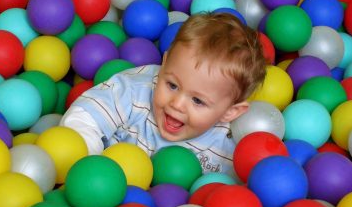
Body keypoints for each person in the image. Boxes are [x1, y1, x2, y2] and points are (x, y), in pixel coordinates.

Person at [60, 12, 267, 177]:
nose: (177, 104)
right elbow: (84, 116)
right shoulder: (134, 90)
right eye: (172, 85)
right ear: (164, 64)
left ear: (230, 112)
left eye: (197, 100)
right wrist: (90, 165)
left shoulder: (229, 148)